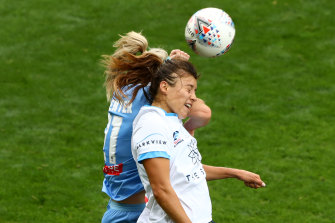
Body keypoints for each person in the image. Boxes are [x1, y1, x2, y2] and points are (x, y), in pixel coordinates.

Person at [131, 59, 266, 222]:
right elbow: (161, 189)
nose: (194, 97)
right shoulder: (152, 125)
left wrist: (235, 173)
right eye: (189, 89)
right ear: (165, 87)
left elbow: (188, 170)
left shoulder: (171, 121)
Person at [101, 31, 211, 223]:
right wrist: (186, 132)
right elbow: (203, 113)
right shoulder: (146, 98)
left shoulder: (123, 91)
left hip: (117, 202)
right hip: (135, 210)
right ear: (161, 82)